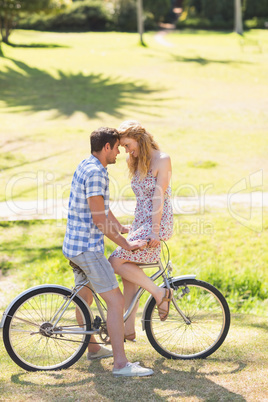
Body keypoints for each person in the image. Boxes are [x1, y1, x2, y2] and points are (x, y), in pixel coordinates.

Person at [62, 127, 154, 377]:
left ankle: (92, 348)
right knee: (116, 301)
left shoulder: (87, 165)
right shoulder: (96, 173)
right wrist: (127, 245)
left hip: (74, 245)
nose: (118, 153)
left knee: (84, 298)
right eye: (116, 148)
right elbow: (98, 219)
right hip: (88, 249)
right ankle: (121, 364)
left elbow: (103, 210)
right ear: (106, 148)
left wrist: (120, 228)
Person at [109, 121, 173, 342]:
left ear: (139, 138)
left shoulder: (162, 159)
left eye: (127, 145)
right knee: (129, 277)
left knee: (115, 262)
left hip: (157, 223)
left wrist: (154, 231)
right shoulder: (133, 160)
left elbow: (158, 196)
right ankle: (128, 329)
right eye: (124, 147)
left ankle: (159, 293)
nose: (126, 151)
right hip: (140, 224)